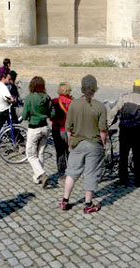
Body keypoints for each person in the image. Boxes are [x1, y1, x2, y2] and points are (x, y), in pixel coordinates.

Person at [60, 75, 107, 213]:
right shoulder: (100, 106)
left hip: (77, 142)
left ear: (82, 88)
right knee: (91, 174)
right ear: (95, 89)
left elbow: (68, 127)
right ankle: (88, 204)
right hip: (94, 144)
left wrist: (70, 144)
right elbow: (103, 130)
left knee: (72, 172)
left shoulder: (74, 104)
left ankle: (65, 200)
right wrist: (103, 145)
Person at [108, 79, 140, 186]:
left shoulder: (124, 98)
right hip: (138, 132)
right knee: (138, 156)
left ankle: (123, 179)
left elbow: (113, 113)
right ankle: (138, 181)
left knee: (123, 156)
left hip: (124, 130)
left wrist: (108, 125)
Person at [22, 76, 52, 187]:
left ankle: (42, 174)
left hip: (34, 128)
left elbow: (24, 116)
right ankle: (37, 178)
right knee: (40, 153)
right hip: (45, 127)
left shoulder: (29, 98)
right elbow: (52, 113)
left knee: (30, 155)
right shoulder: (47, 97)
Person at [50, 83, 72, 177]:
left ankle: (61, 172)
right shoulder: (71, 102)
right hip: (68, 130)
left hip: (56, 129)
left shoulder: (54, 101)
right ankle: (71, 171)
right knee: (70, 151)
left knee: (59, 151)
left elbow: (50, 115)